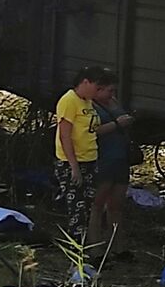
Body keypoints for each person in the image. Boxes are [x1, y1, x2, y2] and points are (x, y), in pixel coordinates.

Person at [54, 66, 123, 247]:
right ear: (85, 82)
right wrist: (74, 166)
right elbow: (65, 135)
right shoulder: (69, 101)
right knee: (77, 210)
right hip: (74, 162)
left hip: (90, 160)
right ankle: (76, 252)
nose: (97, 91)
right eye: (96, 87)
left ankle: (88, 249)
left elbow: (90, 130)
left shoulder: (87, 102)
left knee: (87, 207)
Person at [92, 82, 136, 259]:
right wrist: (117, 124)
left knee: (116, 205)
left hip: (121, 158)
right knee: (97, 204)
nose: (112, 94)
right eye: (109, 90)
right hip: (104, 158)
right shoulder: (90, 106)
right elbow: (91, 131)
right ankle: (95, 249)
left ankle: (117, 247)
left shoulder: (113, 102)